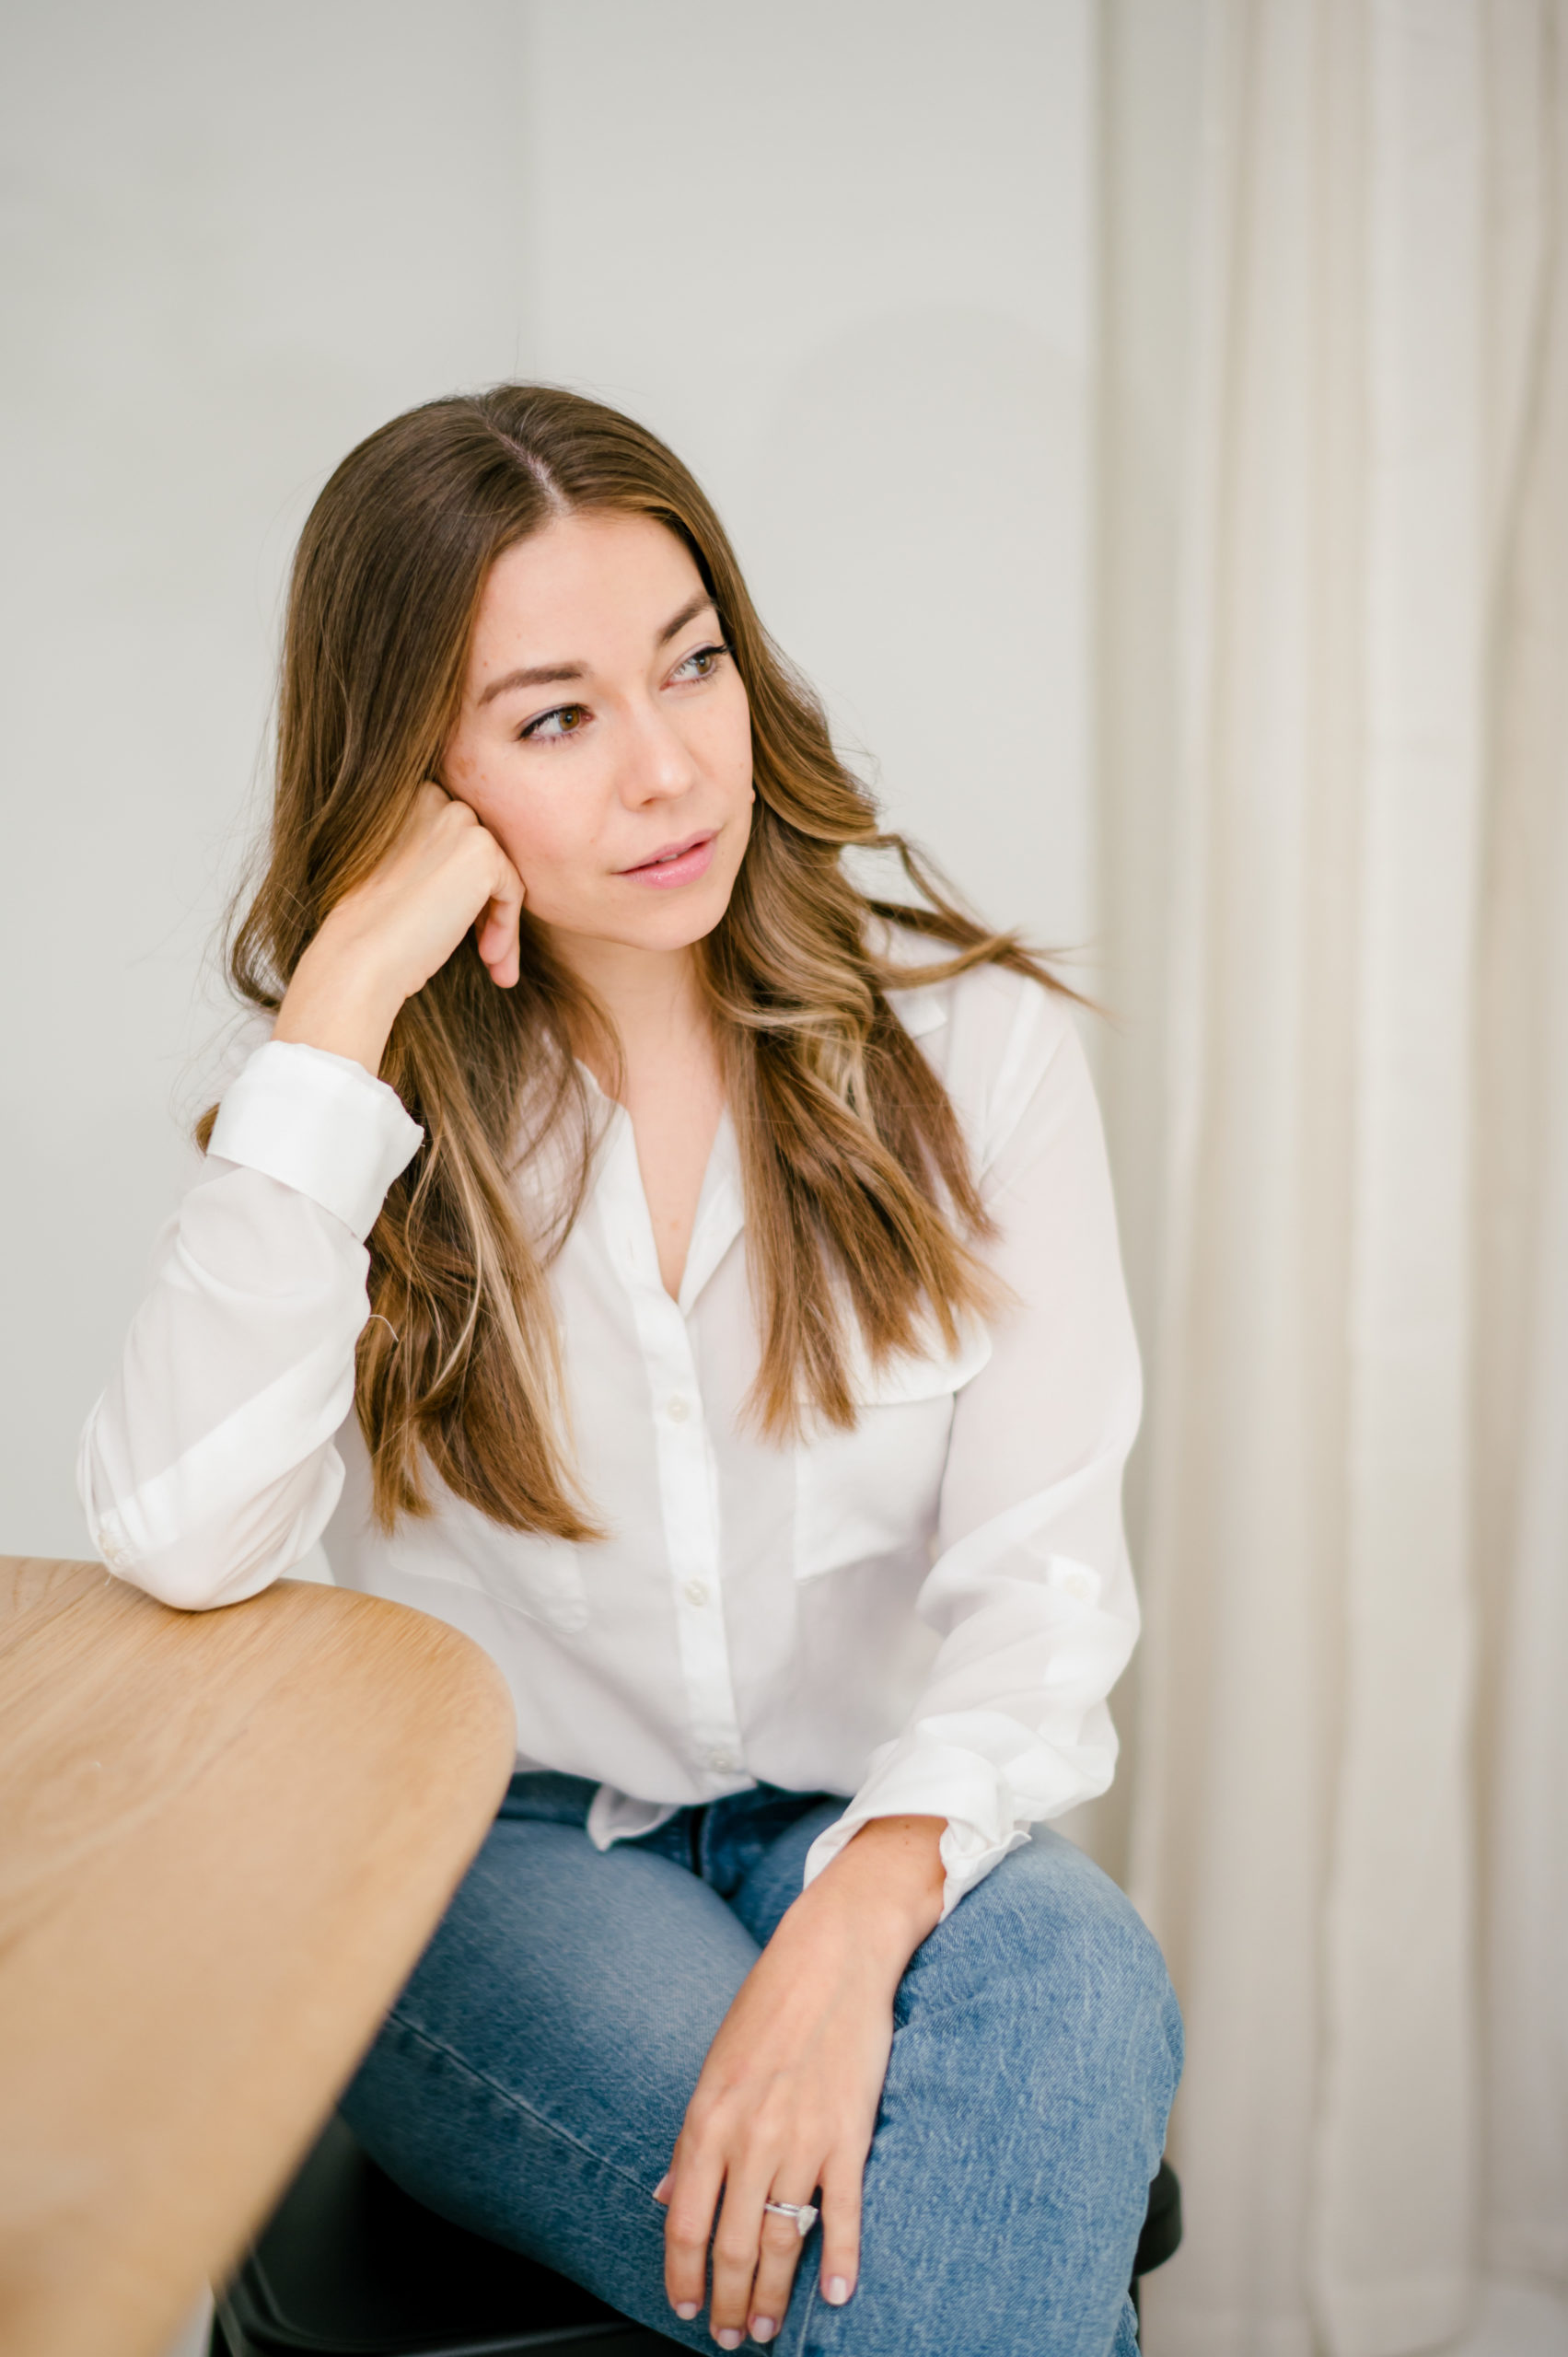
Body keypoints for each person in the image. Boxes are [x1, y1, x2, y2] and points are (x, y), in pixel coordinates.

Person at [79, 385, 1181, 2357]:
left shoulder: (973, 1052)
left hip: (892, 1807)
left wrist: (859, 1917)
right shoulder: (355, 1108)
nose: (670, 770)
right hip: (487, 1856)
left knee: (1088, 1982)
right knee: (932, 2276)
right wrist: (338, 1003)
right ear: (419, 769)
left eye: (693, 666)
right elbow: (177, 1536)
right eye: (557, 715)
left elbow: (1045, 1579)